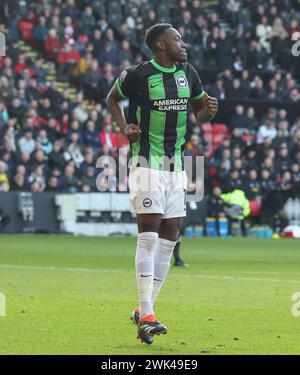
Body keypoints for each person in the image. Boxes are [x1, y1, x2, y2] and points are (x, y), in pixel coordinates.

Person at [107, 23, 218, 345]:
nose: (183, 44)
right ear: (160, 45)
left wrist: (209, 112)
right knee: (149, 234)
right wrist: (124, 126)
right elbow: (112, 98)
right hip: (147, 164)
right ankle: (147, 313)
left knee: (170, 237)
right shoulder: (138, 75)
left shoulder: (188, 72)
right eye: (177, 40)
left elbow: (200, 112)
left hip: (177, 166)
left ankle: (145, 311)